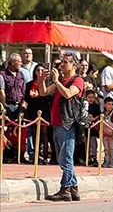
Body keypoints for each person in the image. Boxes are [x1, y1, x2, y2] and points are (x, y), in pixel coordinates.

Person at [38, 51, 85, 201]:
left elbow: (68, 94)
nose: (62, 65)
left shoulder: (77, 80)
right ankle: (74, 187)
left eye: (65, 62)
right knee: (62, 157)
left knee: (66, 157)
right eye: (61, 62)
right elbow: (43, 92)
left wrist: (57, 82)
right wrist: (41, 80)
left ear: (74, 65)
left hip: (67, 123)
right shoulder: (60, 81)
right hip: (57, 123)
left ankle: (65, 189)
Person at [22, 63, 52, 165]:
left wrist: (39, 95)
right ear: (35, 72)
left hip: (44, 111)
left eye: (42, 70)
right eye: (38, 70)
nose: (40, 72)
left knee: (44, 133)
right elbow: (26, 98)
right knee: (35, 134)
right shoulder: (30, 84)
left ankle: (44, 157)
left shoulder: (47, 83)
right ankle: (36, 155)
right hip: (33, 111)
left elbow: (49, 98)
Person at [1, 53, 25, 120]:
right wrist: (4, 105)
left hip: (20, 105)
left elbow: (23, 88)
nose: (21, 63)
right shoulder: (3, 74)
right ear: (12, 63)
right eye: (19, 61)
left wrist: (24, 102)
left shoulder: (20, 74)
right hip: (8, 105)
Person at [101, 97, 113, 168]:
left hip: (112, 134)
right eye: (108, 104)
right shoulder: (102, 114)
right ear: (104, 105)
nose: (110, 106)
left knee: (112, 148)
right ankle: (106, 160)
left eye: (112, 104)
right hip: (105, 134)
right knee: (106, 148)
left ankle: (112, 161)